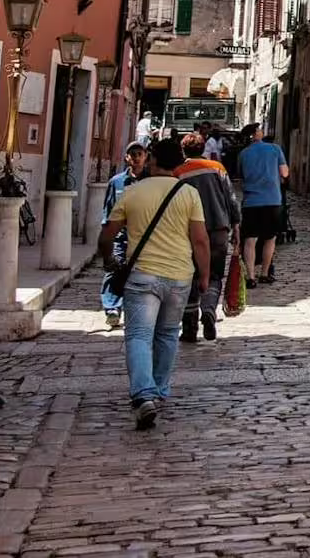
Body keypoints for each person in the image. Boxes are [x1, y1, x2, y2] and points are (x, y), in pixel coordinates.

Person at [98, 139, 210, 430]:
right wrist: (205, 276)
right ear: (178, 164)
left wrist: (109, 260)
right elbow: (200, 240)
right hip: (180, 276)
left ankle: (143, 395)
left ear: (153, 160)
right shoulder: (189, 194)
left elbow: (107, 235)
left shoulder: (133, 191)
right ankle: (158, 390)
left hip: (142, 276)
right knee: (168, 334)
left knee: (138, 335)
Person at [173, 133, 241, 344]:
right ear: (203, 149)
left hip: (189, 231)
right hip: (218, 228)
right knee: (214, 275)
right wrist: (236, 224)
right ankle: (209, 308)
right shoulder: (217, 168)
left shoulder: (178, 172)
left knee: (190, 276)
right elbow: (231, 197)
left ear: (183, 150)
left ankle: (189, 328)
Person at [99, 143, 149, 330]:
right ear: (126, 157)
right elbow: (109, 209)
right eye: (132, 154)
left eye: (139, 153)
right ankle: (112, 308)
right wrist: (107, 232)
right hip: (120, 236)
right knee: (114, 270)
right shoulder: (117, 182)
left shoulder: (151, 181)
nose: (136, 157)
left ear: (145, 156)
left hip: (144, 237)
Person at [235, 123, 288, 287]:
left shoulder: (243, 154)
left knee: (250, 240)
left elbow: (241, 176)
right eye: (259, 129)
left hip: (251, 202)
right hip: (272, 200)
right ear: (255, 134)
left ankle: (250, 277)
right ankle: (264, 273)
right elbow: (285, 172)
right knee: (270, 238)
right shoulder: (274, 149)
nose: (261, 130)